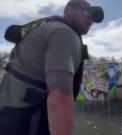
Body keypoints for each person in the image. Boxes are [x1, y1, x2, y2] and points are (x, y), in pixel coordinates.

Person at [0, 0, 104, 135]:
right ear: (69, 10)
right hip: (30, 122)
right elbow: (60, 98)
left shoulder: (42, 28)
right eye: (87, 13)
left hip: (9, 115)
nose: (91, 20)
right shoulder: (64, 33)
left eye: (93, 18)